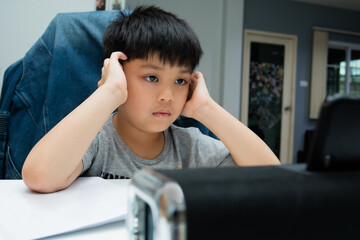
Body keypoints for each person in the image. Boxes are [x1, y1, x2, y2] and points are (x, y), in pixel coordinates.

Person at [22, 6, 280, 193]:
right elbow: (39, 177)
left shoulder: (189, 147)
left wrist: (206, 109)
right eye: (151, 77)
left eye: (180, 81)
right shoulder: (97, 140)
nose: (167, 96)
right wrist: (110, 92)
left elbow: (271, 177)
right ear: (119, 74)